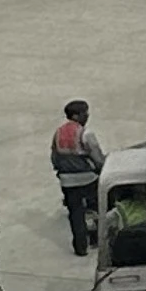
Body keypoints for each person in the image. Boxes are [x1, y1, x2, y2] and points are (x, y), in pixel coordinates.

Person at [50, 99, 105, 255]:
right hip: (87, 177)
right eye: (84, 113)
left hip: (67, 181)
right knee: (95, 209)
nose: (87, 116)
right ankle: (96, 239)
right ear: (75, 116)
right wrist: (101, 168)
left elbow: (54, 157)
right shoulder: (85, 133)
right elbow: (97, 156)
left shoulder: (58, 133)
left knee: (75, 213)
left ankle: (80, 247)